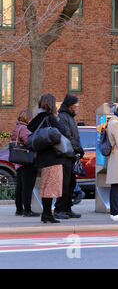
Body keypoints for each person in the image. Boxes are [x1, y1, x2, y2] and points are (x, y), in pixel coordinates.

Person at [27, 94, 67, 223]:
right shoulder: (51, 118)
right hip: (53, 157)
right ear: (52, 104)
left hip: (41, 158)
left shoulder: (38, 117)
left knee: (45, 187)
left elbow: (29, 129)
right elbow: (64, 132)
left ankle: (47, 214)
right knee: (51, 188)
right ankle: (47, 214)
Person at [54, 94, 84, 219]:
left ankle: (67, 208)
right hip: (64, 155)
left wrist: (78, 149)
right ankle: (59, 209)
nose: (77, 106)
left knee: (71, 183)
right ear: (69, 105)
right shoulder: (62, 117)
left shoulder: (70, 117)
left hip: (71, 155)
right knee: (64, 183)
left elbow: (74, 136)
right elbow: (67, 136)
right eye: (75, 104)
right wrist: (77, 147)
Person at [11, 110, 39, 217]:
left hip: (19, 162)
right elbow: (29, 142)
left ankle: (19, 209)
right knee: (27, 187)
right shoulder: (24, 128)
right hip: (27, 161)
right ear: (28, 119)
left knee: (20, 186)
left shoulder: (16, 127)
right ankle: (27, 210)